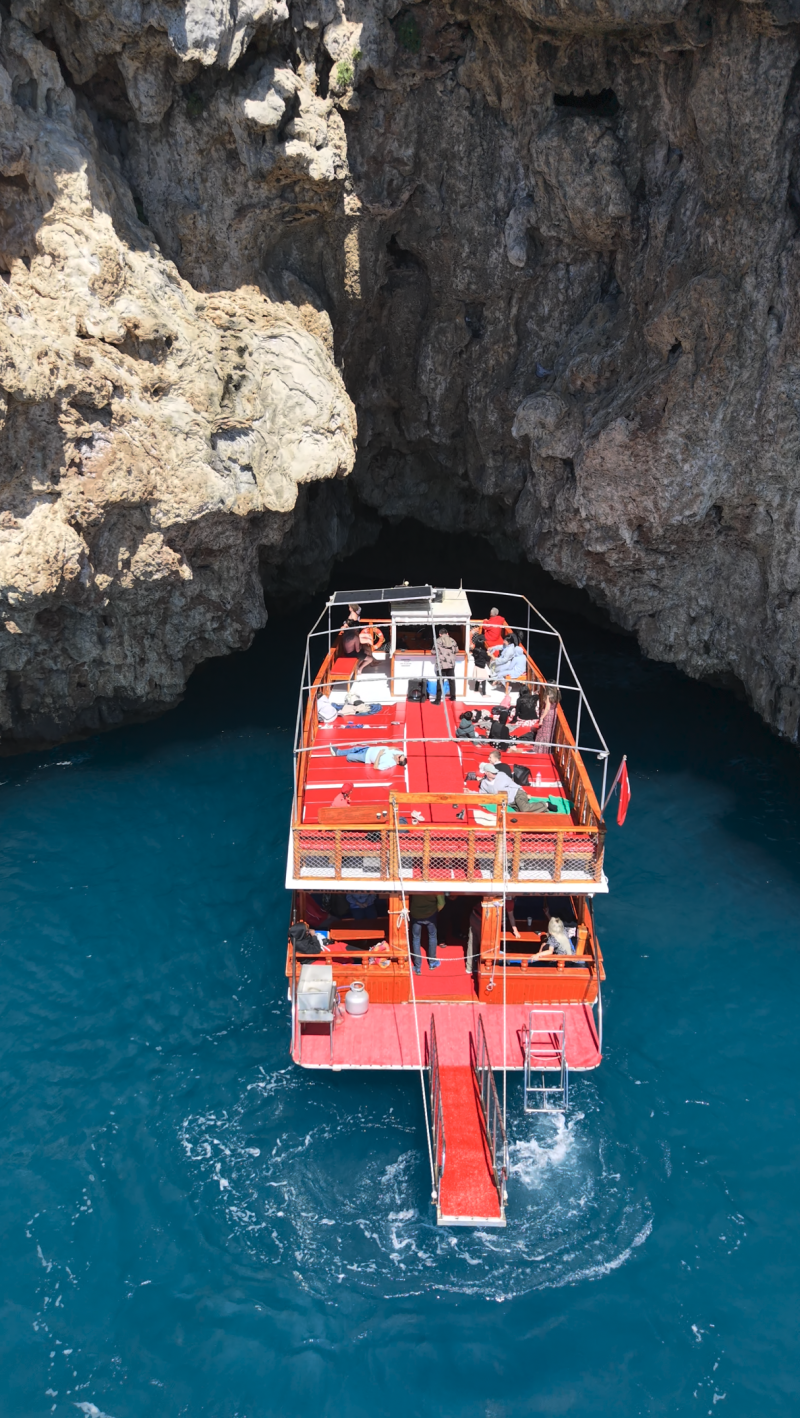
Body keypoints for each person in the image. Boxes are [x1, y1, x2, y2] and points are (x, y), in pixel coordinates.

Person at [408, 893, 445, 973]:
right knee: (432, 937)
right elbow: (441, 903)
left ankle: (417, 967)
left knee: (416, 939)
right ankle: (432, 963)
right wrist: (435, 911)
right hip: (431, 914)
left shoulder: (415, 881)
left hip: (416, 914)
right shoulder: (436, 885)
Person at [331, 743, 407, 771]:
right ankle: (338, 752)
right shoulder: (399, 753)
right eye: (401, 755)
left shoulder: (389, 763)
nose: (399, 755)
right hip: (369, 749)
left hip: (366, 757)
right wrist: (392, 748)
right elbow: (398, 749)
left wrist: (379, 755)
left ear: (397, 762)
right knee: (355, 748)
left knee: (349, 757)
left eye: (400, 757)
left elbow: (376, 767)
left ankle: (344, 755)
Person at [531, 685, 561, 752]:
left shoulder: (548, 696)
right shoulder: (557, 694)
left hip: (547, 715)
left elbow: (547, 708)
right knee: (550, 731)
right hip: (553, 713)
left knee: (543, 731)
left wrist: (541, 718)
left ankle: (540, 749)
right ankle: (548, 749)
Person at [432, 626, 458, 702]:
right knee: (452, 681)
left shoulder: (438, 641)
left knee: (440, 682)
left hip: (441, 664)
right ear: (447, 633)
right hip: (451, 664)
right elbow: (457, 650)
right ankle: (453, 697)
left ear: (439, 634)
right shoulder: (453, 640)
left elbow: (433, 651)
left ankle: (438, 700)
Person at [470, 630, 491, 695]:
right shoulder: (483, 652)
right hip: (481, 667)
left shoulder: (475, 650)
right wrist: (489, 654)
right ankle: (484, 694)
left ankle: (476, 689)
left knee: (478, 678)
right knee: (484, 679)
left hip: (476, 666)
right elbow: (487, 659)